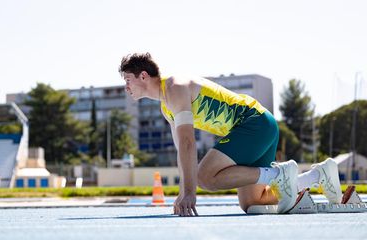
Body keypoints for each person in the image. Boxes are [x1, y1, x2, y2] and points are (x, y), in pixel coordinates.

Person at [118, 53, 342, 216]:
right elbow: (181, 152)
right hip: (253, 129)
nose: (126, 88)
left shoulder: (174, 87)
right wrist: (182, 193)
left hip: (254, 123)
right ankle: (317, 176)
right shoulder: (165, 107)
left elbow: (188, 143)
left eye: (128, 80)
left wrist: (190, 192)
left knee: (204, 177)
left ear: (144, 76)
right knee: (254, 203)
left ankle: (277, 175)